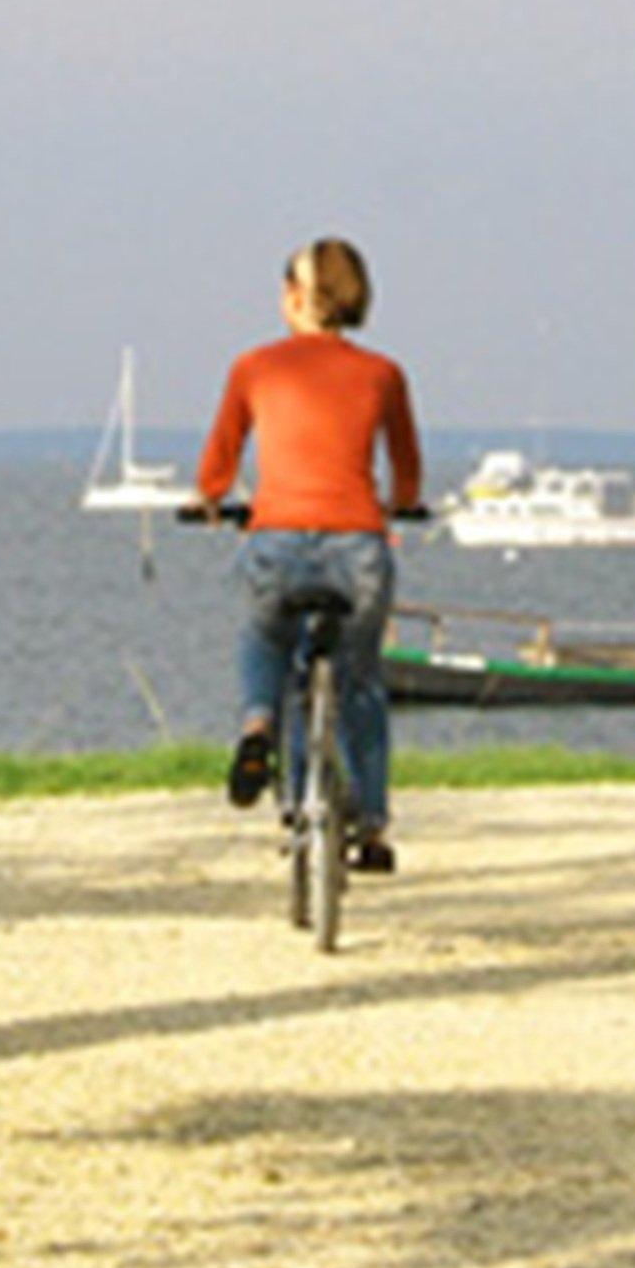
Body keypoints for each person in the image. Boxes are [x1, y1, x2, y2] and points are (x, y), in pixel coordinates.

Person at [195, 237, 423, 871]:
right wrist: (403, 501)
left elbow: (219, 461)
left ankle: (258, 732)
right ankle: (373, 829)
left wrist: (213, 499)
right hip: (358, 548)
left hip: (277, 541)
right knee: (359, 681)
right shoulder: (382, 373)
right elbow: (405, 467)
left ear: (300, 297)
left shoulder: (255, 368)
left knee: (267, 639)